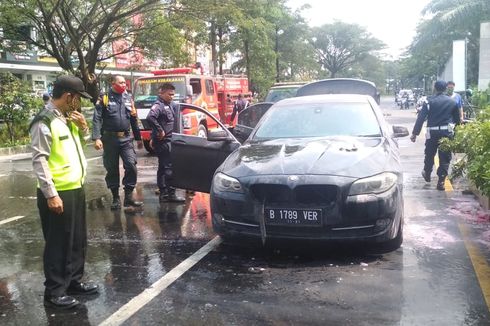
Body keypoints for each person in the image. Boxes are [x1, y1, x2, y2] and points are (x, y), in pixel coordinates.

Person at [30, 75, 98, 309]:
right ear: (69, 96)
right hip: (58, 192)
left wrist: (84, 128)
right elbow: (40, 160)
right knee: (58, 243)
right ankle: (55, 291)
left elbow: (78, 147)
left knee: (77, 240)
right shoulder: (44, 121)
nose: (80, 103)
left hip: (75, 187)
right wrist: (51, 194)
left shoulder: (67, 119)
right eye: (78, 98)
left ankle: (73, 282)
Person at [92, 75, 144, 210]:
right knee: (112, 168)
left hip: (126, 139)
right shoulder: (104, 98)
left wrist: (138, 138)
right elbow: (97, 118)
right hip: (110, 139)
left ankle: (128, 197)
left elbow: (133, 118)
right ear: (113, 84)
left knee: (131, 165)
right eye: (121, 83)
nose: (124, 85)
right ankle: (115, 198)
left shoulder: (128, 98)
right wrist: (96, 137)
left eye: (125, 83)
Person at [410, 80, 461, 191]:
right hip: (446, 133)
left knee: (429, 153)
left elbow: (421, 118)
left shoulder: (428, 101)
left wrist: (414, 133)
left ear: (435, 88)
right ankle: (441, 181)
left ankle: (427, 172)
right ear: (446, 88)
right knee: (445, 157)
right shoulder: (452, 102)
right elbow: (457, 121)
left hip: (431, 133)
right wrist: (457, 136)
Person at [146, 83, 185, 202]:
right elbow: (150, 117)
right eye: (169, 94)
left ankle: (164, 194)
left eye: (173, 94)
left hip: (170, 140)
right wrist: (159, 130)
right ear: (161, 93)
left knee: (163, 168)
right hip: (164, 142)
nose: (172, 96)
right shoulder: (159, 105)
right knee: (168, 168)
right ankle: (170, 194)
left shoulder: (170, 104)